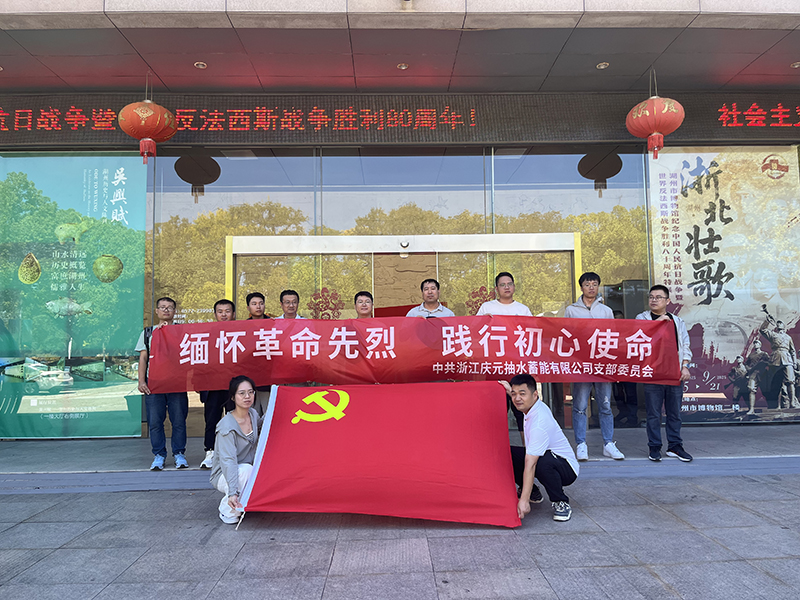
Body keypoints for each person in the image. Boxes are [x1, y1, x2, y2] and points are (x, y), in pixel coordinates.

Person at [564, 272, 624, 461]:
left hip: (602, 364)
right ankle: (581, 444)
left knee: (605, 405)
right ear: (581, 287)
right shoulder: (571, 310)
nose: (591, 287)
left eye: (594, 284)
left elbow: (613, 338)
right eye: (587, 284)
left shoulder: (606, 311)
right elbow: (565, 336)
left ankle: (608, 443)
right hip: (581, 365)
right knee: (580, 406)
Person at [505, 374, 579, 522]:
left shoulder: (539, 422)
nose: (517, 398)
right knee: (507, 453)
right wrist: (507, 389)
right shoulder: (532, 405)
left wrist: (523, 501)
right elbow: (517, 394)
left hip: (567, 468)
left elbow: (531, 463)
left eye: (522, 394)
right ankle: (533, 492)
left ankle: (560, 501)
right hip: (547, 457)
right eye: (514, 394)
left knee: (540, 461)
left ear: (535, 395)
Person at [636, 285, 693, 462]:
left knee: (674, 413)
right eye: (651, 297)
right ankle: (654, 447)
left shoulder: (677, 321)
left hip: (674, 372)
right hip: (652, 372)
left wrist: (685, 366)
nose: (654, 300)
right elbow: (640, 338)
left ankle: (675, 446)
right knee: (653, 413)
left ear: (667, 301)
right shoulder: (642, 318)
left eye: (658, 297)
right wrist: (659, 322)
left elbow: (685, 345)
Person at [135, 297, 189, 470]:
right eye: (163, 307)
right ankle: (159, 455)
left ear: (175, 311)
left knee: (178, 420)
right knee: (155, 421)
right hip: (154, 383)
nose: (166, 310)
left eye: (170, 307)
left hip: (176, 383)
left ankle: (179, 454)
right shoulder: (148, 333)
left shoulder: (182, 331)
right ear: (157, 311)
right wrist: (141, 381)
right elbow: (143, 358)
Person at [476, 272, 532, 441]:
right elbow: (475, 331)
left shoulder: (523, 310)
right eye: (502, 284)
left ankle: (527, 450)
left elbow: (532, 335)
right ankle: (496, 449)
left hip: (517, 368)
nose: (506, 287)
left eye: (509, 284)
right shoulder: (487, 308)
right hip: (494, 368)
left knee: (521, 411)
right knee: (496, 412)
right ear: (496, 289)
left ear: (514, 287)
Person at [210, 375, 261, 524]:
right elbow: (228, 461)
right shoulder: (226, 427)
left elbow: (263, 425)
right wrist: (233, 492)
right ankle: (227, 509)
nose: (247, 396)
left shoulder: (253, 414)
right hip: (225, 474)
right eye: (242, 393)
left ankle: (243, 502)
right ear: (233, 397)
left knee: (250, 470)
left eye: (250, 392)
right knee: (246, 470)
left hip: (246, 468)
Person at [201, 300, 237, 470]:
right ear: (215, 314)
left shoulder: (241, 333)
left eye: (227, 311)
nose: (224, 314)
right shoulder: (207, 333)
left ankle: (234, 452)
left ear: (233, 314)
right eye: (220, 311)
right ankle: (210, 452)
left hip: (233, 386)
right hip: (212, 385)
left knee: (235, 420)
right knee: (212, 420)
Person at [759, 316, 798, 409]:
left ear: (784, 326)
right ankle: (775, 405)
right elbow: (762, 330)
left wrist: (794, 362)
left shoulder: (788, 337)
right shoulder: (773, 335)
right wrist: (767, 321)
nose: (779, 324)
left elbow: (792, 351)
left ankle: (792, 403)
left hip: (787, 359)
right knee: (775, 383)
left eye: (781, 323)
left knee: (790, 381)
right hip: (775, 359)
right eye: (778, 323)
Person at [744, 339, 769, 415]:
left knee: (766, 391)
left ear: (760, 345)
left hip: (763, 373)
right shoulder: (751, 355)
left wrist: (762, 363)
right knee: (751, 390)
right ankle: (751, 409)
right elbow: (746, 364)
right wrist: (749, 369)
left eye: (757, 343)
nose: (755, 344)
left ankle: (771, 407)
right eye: (754, 343)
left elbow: (769, 362)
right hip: (753, 373)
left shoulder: (764, 354)